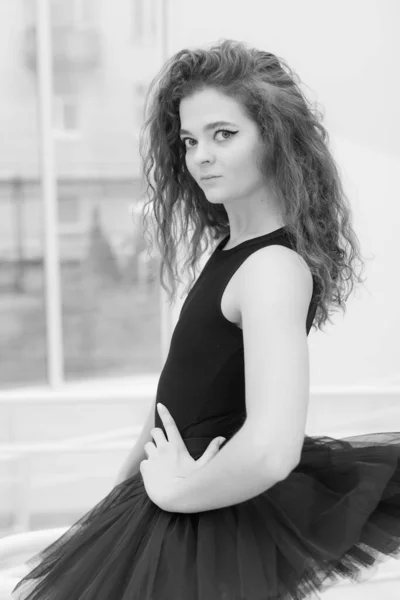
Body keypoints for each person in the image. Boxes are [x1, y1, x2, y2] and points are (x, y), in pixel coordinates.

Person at [13, 39, 400, 600]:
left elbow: (271, 448)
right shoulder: (231, 251)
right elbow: (181, 394)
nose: (200, 156)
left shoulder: (271, 266)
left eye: (224, 134)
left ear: (276, 138)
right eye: (191, 140)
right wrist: (126, 490)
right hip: (170, 507)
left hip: (201, 517)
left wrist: (172, 495)